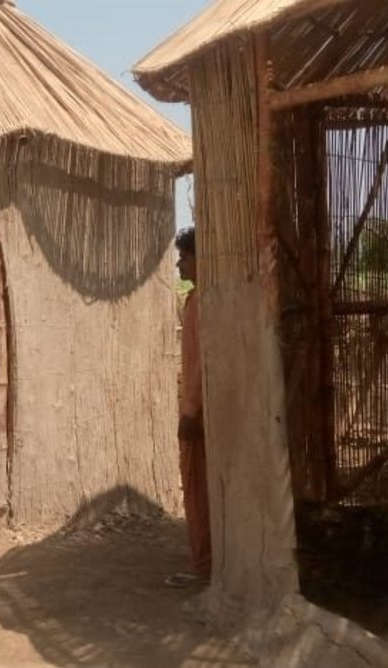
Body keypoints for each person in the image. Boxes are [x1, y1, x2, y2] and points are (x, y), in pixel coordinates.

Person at [167, 227, 211, 588]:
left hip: (200, 412)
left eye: (185, 256)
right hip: (209, 410)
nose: (179, 263)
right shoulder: (200, 300)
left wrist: (190, 412)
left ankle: (204, 565)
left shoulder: (201, 304)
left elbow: (199, 364)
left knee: (197, 486)